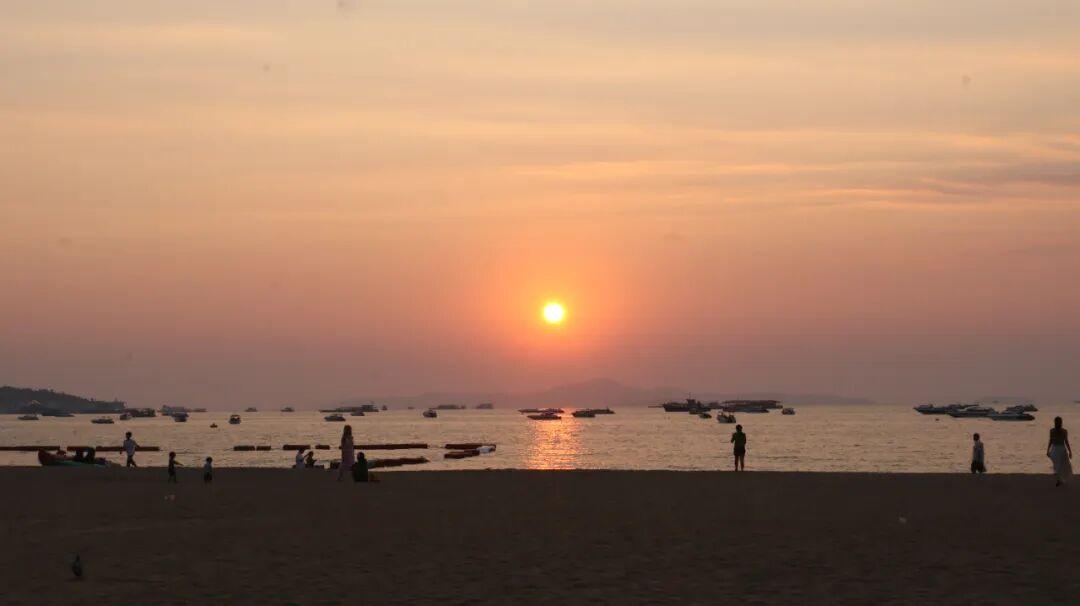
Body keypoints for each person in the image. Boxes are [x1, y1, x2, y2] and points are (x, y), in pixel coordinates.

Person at [1047, 417, 1073, 487]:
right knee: (1063, 465)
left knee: (1057, 465)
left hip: (1055, 450)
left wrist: (1048, 450)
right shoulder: (1064, 431)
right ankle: (1060, 479)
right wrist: (1070, 451)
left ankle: (1059, 479)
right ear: (1061, 423)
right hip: (1061, 449)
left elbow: (1051, 441)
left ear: (1054, 422)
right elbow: (1066, 442)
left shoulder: (1052, 431)